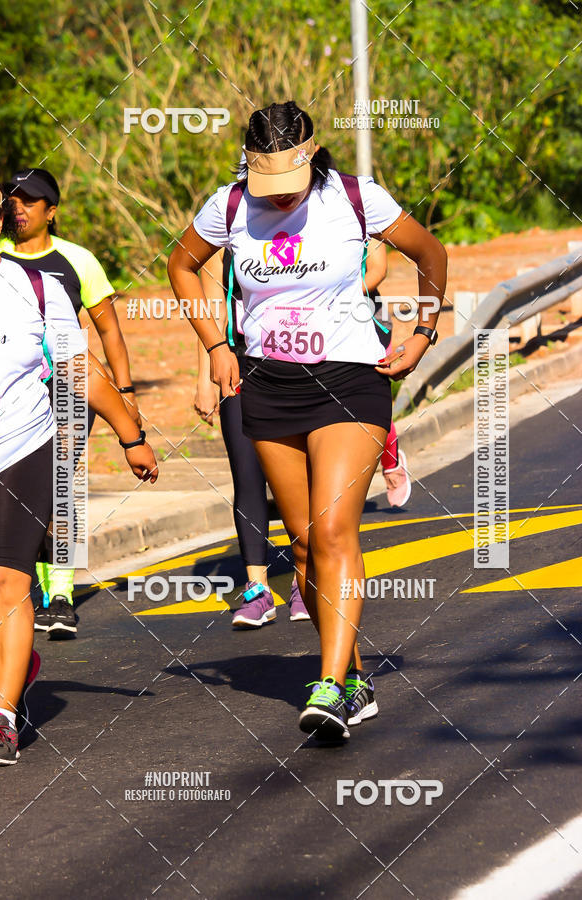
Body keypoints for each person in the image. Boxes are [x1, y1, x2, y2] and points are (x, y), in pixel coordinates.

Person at [168, 101, 446, 742]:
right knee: (302, 546)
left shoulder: (354, 198)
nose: (280, 199)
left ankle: (326, 687)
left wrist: (423, 332)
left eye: (288, 185)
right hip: (268, 384)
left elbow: (430, 253)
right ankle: (350, 677)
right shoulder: (231, 205)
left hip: (349, 380)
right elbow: (181, 266)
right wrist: (216, 346)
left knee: (331, 530)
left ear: (312, 154)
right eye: (267, 184)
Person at [0, 170, 158, 766]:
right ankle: (16, 665)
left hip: (18, 450)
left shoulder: (32, 288)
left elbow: (79, 369)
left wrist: (130, 433)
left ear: (0, 219)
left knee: (2, 584)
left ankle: (0, 717)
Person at [0, 167, 141, 637]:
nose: (18, 208)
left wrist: (125, 393)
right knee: (22, 500)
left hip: (65, 393)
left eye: (30, 201)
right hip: (7, 402)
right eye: (12, 200)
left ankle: (59, 594)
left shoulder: (77, 260)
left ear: (52, 211)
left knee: (61, 487)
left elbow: (110, 332)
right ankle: (30, 588)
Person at [195, 248, 309, 626]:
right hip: (240, 366)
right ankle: (257, 588)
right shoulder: (225, 245)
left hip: (300, 366)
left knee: (302, 479)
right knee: (247, 476)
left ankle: (305, 582)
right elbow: (211, 314)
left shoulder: (305, 232)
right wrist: (203, 378)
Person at [363, 240, 412, 508]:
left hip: (367, 315)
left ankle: (391, 462)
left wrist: (335, 299)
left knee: (372, 399)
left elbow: (378, 270)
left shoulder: (359, 206)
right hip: (311, 319)